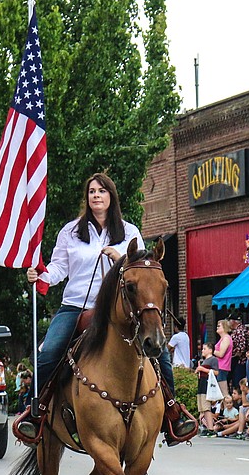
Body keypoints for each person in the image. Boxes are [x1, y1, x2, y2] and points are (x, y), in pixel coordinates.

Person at [14, 173, 195, 444]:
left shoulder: (129, 232)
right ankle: (35, 413)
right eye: (92, 191)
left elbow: (142, 269)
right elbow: (60, 267)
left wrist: (120, 259)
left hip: (118, 310)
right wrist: (40, 276)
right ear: (87, 198)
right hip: (76, 306)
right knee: (50, 351)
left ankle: (173, 413)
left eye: (102, 191)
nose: (96, 195)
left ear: (111, 197)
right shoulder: (71, 232)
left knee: (159, 352)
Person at [195, 343, 220, 435]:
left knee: (206, 407)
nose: (202, 350)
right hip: (201, 384)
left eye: (204, 349)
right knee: (202, 407)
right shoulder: (204, 361)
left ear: (210, 350)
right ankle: (205, 426)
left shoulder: (213, 359)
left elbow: (216, 372)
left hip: (207, 384)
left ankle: (210, 428)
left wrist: (202, 369)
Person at [213, 319, 234, 398]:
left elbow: (221, 354)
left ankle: (229, 409)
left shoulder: (226, 339)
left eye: (219, 326)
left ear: (224, 327)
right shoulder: (223, 338)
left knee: (224, 393)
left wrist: (213, 351)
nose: (217, 327)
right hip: (220, 367)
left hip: (222, 367)